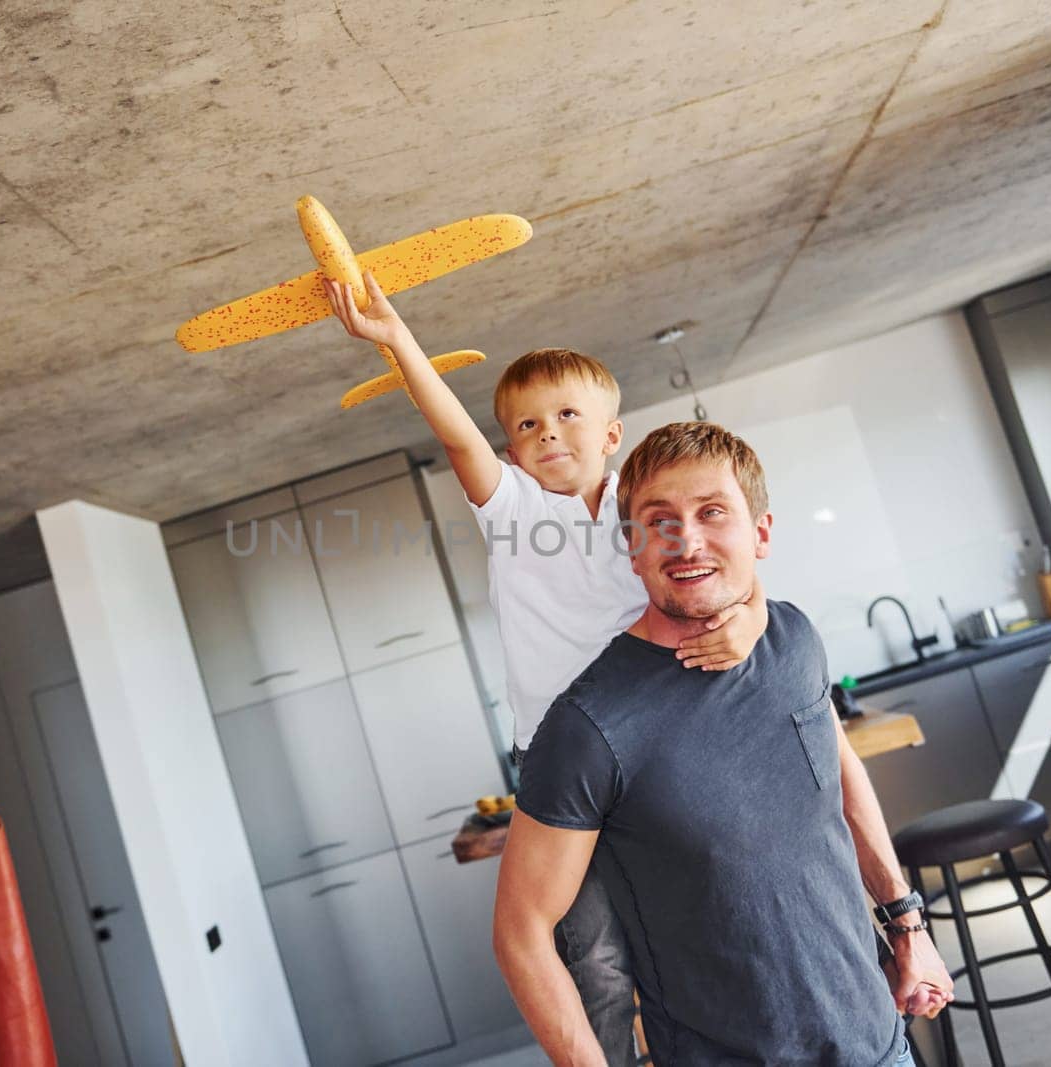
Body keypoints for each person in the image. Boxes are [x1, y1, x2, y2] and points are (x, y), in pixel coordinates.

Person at [324, 274, 770, 1064]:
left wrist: (753, 617)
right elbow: (458, 434)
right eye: (527, 424)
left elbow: (727, 571)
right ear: (511, 450)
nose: (549, 432)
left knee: (704, 929)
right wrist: (397, 339)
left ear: (611, 434)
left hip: (660, 741)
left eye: (568, 415)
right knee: (592, 959)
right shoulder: (513, 511)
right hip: (562, 760)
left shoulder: (644, 510)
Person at [493, 421, 955, 1066]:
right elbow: (522, 932)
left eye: (713, 512)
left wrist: (907, 928)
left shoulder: (792, 639)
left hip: (879, 1045)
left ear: (761, 532)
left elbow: (841, 781)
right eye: (658, 520)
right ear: (631, 545)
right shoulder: (586, 729)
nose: (686, 541)